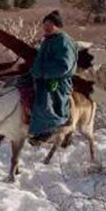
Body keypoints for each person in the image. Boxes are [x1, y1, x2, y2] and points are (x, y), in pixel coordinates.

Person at [29, 10, 78, 142]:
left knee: (45, 101)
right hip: (42, 76)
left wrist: (43, 72)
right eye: (44, 24)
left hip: (56, 80)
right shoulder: (49, 39)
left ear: (57, 25)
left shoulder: (64, 41)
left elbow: (64, 66)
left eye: (49, 24)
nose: (45, 27)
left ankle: (48, 129)